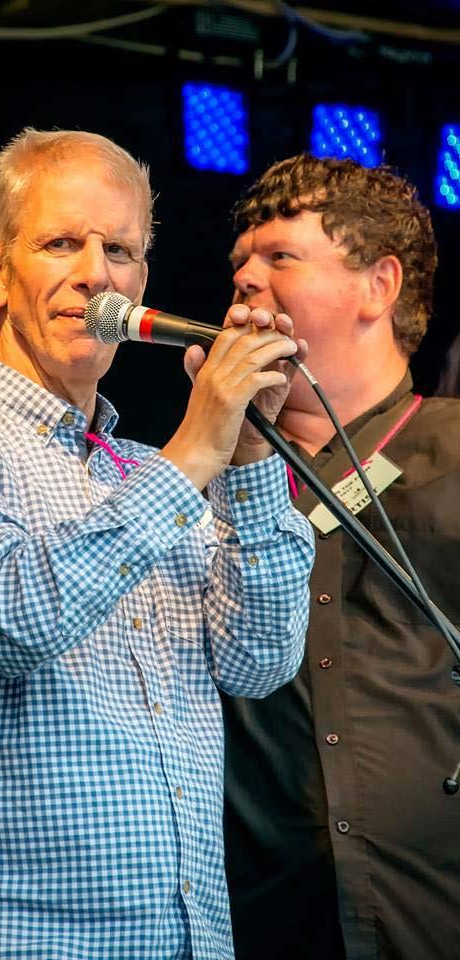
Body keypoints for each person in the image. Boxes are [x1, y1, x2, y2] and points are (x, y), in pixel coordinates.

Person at [0, 127, 315, 960]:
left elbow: (260, 661)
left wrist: (248, 455)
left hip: (188, 938)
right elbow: (13, 617)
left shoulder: (139, 473)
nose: (96, 274)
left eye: (121, 250)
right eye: (61, 243)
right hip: (18, 938)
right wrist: (193, 455)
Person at [221, 152, 460, 960]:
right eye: (240, 262)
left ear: (378, 286)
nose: (245, 278)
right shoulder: (198, 477)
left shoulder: (453, 448)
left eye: (280, 256)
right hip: (263, 921)